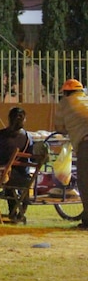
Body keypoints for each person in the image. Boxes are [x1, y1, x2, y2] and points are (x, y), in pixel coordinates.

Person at [53, 79, 88, 230]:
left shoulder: (65, 102)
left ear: (66, 92)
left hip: (85, 144)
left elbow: (60, 127)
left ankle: (87, 222)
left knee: (85, 184)